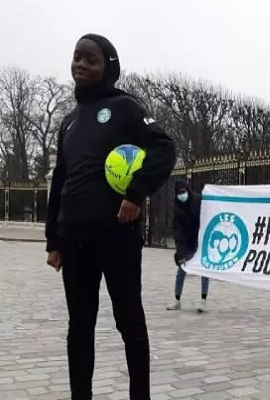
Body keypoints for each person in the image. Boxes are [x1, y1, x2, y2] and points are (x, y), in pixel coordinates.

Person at [45, 33, 176, 400]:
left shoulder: (125, 108)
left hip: (116, 234)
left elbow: (164, 147)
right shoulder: (68, 123)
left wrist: (137, 192)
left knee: (129, 321)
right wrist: (53, 239)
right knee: (79, 326)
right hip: (74, 238)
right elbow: (60, 181)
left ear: (108, 67)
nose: (81, 64)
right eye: (77, 57)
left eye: (91, 59)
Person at [167, 179, 210, 312]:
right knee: (182, 268)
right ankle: (177, 300)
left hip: (201, 237)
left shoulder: (198, 200)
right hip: (187, 241)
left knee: (204, 269)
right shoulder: (177, 208)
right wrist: (181, 252)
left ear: (188, 190)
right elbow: (178, 232)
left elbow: (209, 210)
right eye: (179, 193)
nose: (182, 195)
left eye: (184, 192)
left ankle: (203, 300)